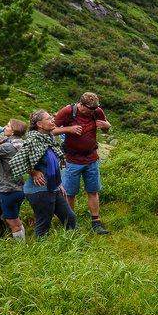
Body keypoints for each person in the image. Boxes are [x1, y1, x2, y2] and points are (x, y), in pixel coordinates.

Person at [10, 110, 77, 237]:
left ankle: (74, 248)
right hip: (39, 190)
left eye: (52, 117)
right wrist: (34, 172)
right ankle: (40, 254)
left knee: (70, 219)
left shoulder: (49, 138)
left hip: (53, 186)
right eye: (49, 118)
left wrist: (59, 183)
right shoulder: (33, 140)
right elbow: (16, 161)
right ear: (40, 124)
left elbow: (55, 163)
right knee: (44, 225)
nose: (53, 120)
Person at [54, 92, 111, 235]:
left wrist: (106, 125)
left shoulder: (97, 111)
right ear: (81, 104)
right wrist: (68, 129)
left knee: (93, 191)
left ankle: (96, 223)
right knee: (69, 193)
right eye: (90, 109)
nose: (93, 112)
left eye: (95, 109)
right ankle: (71, 225)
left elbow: (106, 128)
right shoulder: (68, 111)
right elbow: (52, 129)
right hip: (72, 160)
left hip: (92, 158)